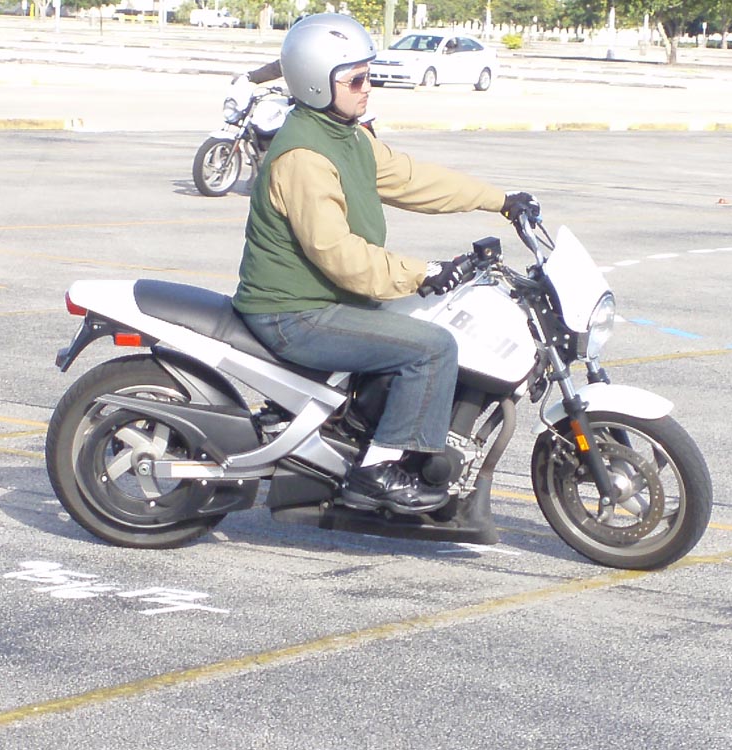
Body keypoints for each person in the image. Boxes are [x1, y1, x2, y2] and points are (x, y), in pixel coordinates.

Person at [231, 13, 539, 514]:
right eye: (355, 80)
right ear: (316, 83)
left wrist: (499, 200)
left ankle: (362, 432)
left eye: (368, 75)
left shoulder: (347, 136)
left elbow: (411, 178)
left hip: (327, 302)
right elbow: (339, 254)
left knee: (423, 324)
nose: (367, 87)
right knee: (432, 348)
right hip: (293, 313)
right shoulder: (305, 157)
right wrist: (421, 273)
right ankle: (374, 474)